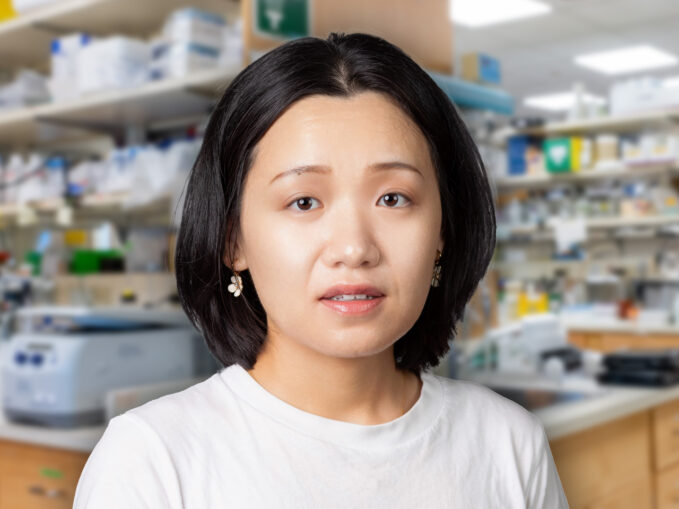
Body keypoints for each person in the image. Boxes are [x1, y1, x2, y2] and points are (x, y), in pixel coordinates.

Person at [73, 32, 569, 508]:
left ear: (442, 231)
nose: (354, 248)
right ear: (233, 240)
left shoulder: (509, 443)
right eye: (304, 201)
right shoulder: (151, 460)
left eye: (393, 198)